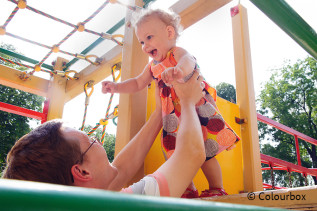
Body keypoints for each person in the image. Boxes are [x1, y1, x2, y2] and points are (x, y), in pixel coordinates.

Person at [101, 8, 240, 198]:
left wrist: (178, 71)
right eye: (142, 41)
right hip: (172, 116)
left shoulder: (176, 54)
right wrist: (116, 87)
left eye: (149, 37)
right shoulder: (152, 66)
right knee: (172, 152)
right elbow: (137, 83)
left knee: (205, 150)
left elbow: (188, 61)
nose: (144, 45)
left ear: (169, 33)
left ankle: (217, 187)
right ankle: (187, 188)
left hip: (196, 112)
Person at [2, 71, 206, 198]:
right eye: (91, 141)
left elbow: (122, 169)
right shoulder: (124, 206)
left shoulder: (83, 201)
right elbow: (192, 154)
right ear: (81, 172)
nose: (98, 141)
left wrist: (159, 114)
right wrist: (187, 101)